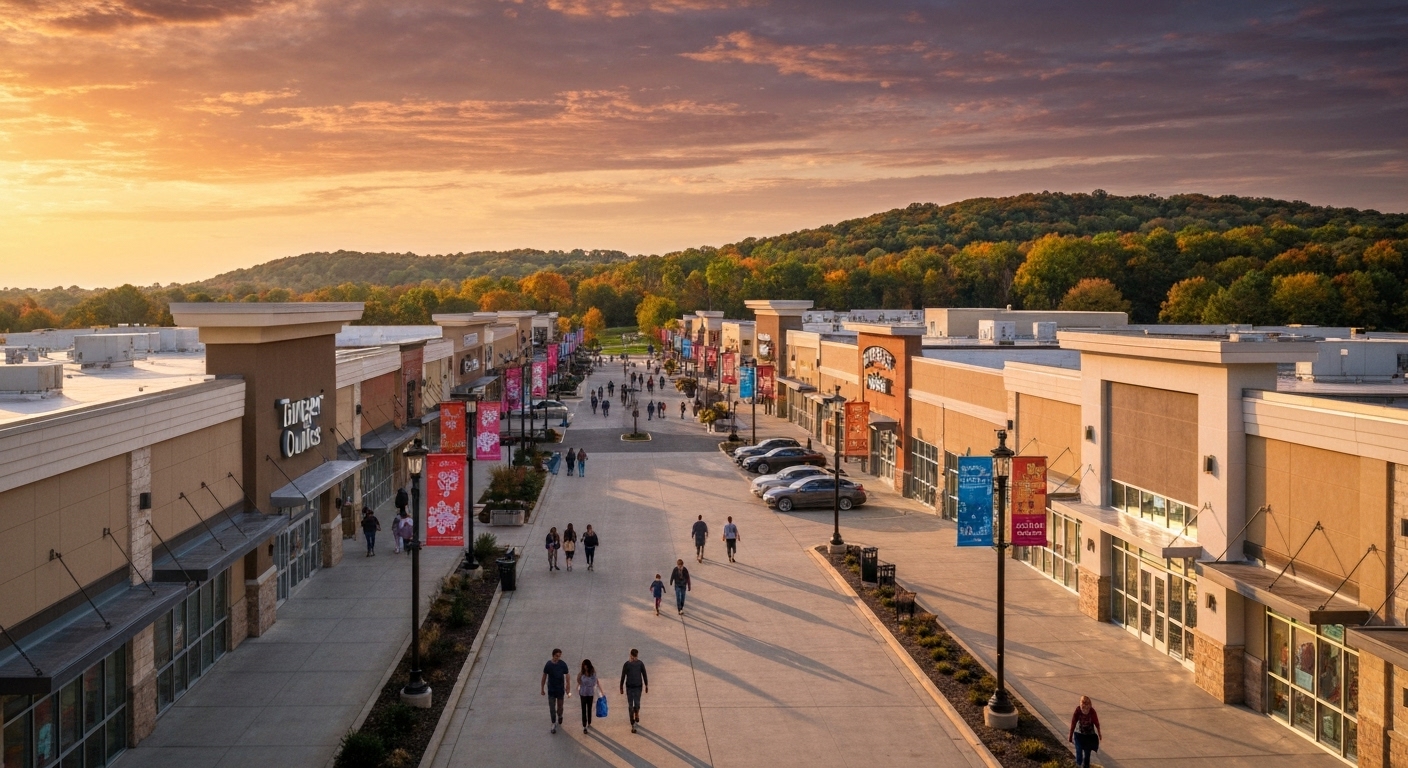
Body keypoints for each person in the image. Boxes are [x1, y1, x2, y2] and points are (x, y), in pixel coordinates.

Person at [541, 649, 570, 734]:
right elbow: (544, 676)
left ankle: (560, 715)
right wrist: (542, 688)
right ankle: (553, 722)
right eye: (557, 656)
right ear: (553, 655)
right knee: (552, 708)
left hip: (560, 689)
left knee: (560, 706)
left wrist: (568, 686)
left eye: (559, 656)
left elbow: (567, 675)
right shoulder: (548, 665)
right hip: (551, 690)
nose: (558, 658)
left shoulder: (562, 664)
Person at [619, 649, 648, 734]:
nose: (635, 658)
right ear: (630, 656)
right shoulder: (626, 665)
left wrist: (646, 685)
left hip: (638, 687)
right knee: (630, 706)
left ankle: (637, 713)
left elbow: (644, 674)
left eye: (636, 657)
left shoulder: (640, 664)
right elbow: (623, 676)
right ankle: (632, 724)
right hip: (629, 688)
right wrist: (621, 687)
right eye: (633, 657)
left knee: (637, 704)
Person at [1068, 695, 1101, 767]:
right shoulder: (1078, 711)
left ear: (1089, 706)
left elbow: (1097, 723)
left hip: (1089, 735)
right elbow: (1073, 723)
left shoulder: (1092, 712)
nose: (1085, 709)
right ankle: (1078, 764)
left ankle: (1086, 766)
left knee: (1087, 753)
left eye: (1087, 708)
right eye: (1083, 707)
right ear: (1081, 706)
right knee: (1079, 750)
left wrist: (1099, 733)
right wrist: (1070, 736)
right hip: (1079, 734)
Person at [577, 659, 599, 734]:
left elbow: (594, 682)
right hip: (583, 693)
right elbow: (578, 680)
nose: (585, 667)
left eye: (586, 666)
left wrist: (586, 683)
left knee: (589, 708)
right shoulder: (581, 673)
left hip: (590, 693)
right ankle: (584, 725)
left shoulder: (593, 673)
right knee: (583, 709)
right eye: (584, 666)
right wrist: (582, 684)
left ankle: (589, 721)